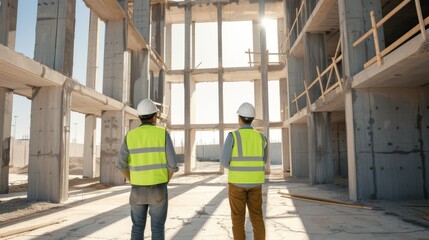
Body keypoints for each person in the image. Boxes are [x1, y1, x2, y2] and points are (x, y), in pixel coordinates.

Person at [116, 98, 179, 240]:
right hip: (158, 188)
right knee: (157, 228)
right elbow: (173, 165)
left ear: (139, 117)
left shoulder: (130, 136)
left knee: (137, 227)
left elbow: (121, 164)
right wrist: (165, 180)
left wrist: (133, 179)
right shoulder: (162, 134)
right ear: (155, 116)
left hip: (137, 189)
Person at [220, 102, 268, 240]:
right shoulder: (261, 138)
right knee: (257, 218)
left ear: (239, 118)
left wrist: (237, 168)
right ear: (252, 119)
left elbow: (224, 162)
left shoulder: (233, 136)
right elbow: (263, 160)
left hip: (237, 184)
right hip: (256, 184)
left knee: (238, 221)